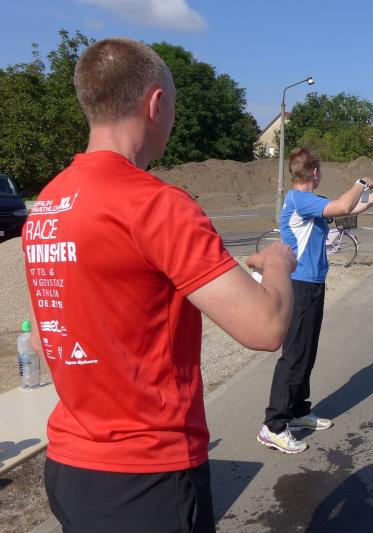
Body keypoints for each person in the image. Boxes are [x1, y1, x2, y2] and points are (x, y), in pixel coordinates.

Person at [21, 38, 296, 532]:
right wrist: (276, 263)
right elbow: (266, 327)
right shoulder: (155, 203)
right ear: (156, 103)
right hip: (148, 476)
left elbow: (47, 337)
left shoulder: (48, 203)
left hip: (71, 466)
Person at [258, 147, 373, 454]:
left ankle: (298, 411)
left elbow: (350, 209)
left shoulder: (311, 201)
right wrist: (362, 181)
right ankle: (273, 426)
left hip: (312, 283)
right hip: (300, 284)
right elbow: (343, 204)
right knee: (295, 354)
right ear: (315, 172)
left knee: (307, 352)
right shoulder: (299, 199)